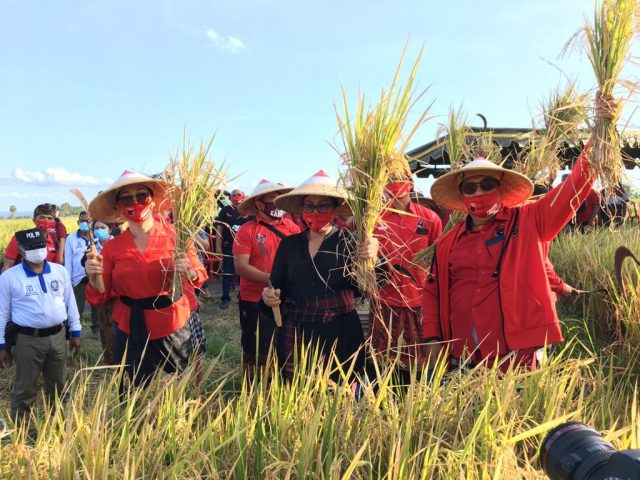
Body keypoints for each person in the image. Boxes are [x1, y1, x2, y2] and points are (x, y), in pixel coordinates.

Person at [422, 94, 618, 372]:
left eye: (487, 184)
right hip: (461, 355)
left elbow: (575, 186)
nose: (478, 192)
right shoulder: (448, 242)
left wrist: (602, 126)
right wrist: (431, 337)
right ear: (461, 195)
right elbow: (432, 291)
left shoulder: (529, 221)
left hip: (517, 355)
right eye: (470, 188)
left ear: (501, 188)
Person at [84, 170, 207, 386]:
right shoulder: (111, 248)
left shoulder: (176, 237)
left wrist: (189, 271)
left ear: (152, 201)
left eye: (141, 196)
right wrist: (93, 277)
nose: (135, 202)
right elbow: (100, 296)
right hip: (131, 326)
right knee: (134, 391)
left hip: (172, 322)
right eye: (127, 198)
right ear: (118, 206)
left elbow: (199, 275)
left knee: (176, 389)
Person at [262, 170, 380, 381]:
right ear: (302, 209)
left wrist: (373, 257)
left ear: (335, 208)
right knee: (298, 395)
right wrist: (269, 297)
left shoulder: (352, 242)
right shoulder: (289, 245)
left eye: (323, 205)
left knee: (339, 394)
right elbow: (276, 285)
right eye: (309, 205)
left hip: (340, 333)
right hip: (298, 331)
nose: (315, 211)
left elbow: (376, 282)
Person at [0, 228, 81, 421]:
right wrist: (2, 345)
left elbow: (71, 303)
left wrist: (76, 331)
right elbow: (2, 313)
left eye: (40, 245)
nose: (38, 250)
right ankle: (22, 431)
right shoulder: (9, 277)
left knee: (59, 385)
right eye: (31, 247)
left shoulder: (59, 271)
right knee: (25, 388)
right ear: (21, 250)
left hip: (58, 337)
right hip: (28, 340)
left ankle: (60, 425)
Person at [370, 175, 442, 373]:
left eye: (400, 177)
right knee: (383, 368)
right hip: (384, 303)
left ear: (410, 182)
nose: (394, 181)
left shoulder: (429, 218)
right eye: (389, 177)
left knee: (421, 367)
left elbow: (439, 261)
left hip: (420, 302)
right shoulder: (373, 220)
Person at [233, 179, 301, 373]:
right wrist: (273, 279)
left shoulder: (292, 228)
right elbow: (241, 267)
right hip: (254, 300)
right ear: (258, 204)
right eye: (272, 199)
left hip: (286, 298)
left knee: (287, 345)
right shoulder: (247, 231)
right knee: (256, 348)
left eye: (279, 199)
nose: (277, 203)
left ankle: (284, 386)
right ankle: (254, 390)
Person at [215, 189, 249, 309]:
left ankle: (243, 297)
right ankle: (225, 298)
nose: (236, 197)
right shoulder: (225, 211)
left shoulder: (249, 211)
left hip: (246, 249)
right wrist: (218, 246)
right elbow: (219, 228)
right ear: (230, 198)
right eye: (233, 195)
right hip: (228, 246)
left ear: (243, 196)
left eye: (239, 194)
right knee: (227, 273)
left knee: (245, 273)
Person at [2, 204, 60, 273]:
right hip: (21, 280)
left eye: (50, 218)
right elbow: (7, 266)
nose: (46, 221)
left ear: (54, 222)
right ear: (34, 220)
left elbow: (55, 266)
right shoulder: (20, 238)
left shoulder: (54, 240)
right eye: (42, 217)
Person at [64, 211, 93, 322]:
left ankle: (96, 329)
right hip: (78, 279)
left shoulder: (96, 236)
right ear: (78, 222)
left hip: (94, 276)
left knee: (96, 306)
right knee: (76, 305)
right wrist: (68, 281)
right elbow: (68, 260)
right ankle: (75, 328)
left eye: (87, 221)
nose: (85, 223)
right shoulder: (71, 239)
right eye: (82, 221)